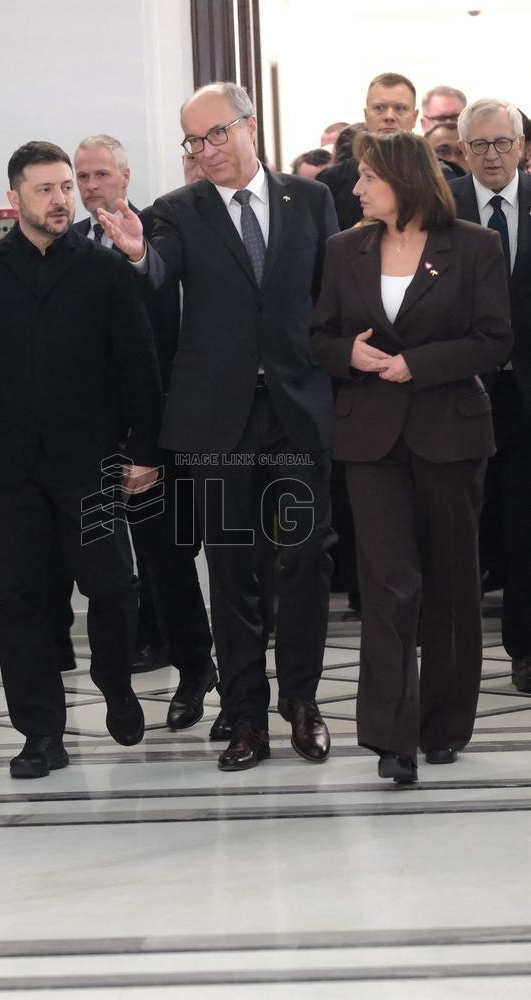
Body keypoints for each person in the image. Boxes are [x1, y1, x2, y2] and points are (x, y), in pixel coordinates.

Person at [100, 81, 338, 771]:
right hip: (218, 421)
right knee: (232, 569)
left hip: (297, 408)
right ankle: (244, 718)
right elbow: (158, 266)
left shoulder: (311, 200)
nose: (205, 152)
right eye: (193, 142)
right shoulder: (176, 211)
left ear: (249, 127)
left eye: (215, 135)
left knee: (306, 560)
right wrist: (140, 253)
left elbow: (330, 298)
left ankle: (301, 699)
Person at [0, 141, 163, 779]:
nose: (61, 198)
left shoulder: (105, 270)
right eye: (46, 189)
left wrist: (145, 450)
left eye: (66, 187)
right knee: (22, 601)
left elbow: (138, 368)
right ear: (15, 198)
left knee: (114, 586)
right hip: (7, 470)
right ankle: (40, 733)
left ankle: (115, 683)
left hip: (91, 467)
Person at [311, 130, 512, 784]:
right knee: (387, 584)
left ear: (403, 179)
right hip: (370, 437)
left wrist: (414, 365)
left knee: (453, 582)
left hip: (450, 434)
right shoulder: (346, 249)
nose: (358, 188)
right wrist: (350, 355)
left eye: (369, 178)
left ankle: (445, 724)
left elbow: (493, 340)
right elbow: (319, 335)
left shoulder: (475, 246)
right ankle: (392, 735)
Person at [73, 133, 217, 722]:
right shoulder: (71, 244)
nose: (90, 186)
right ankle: (155, 659)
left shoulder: (157, 229)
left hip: (160, 430)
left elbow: (158, 341)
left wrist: (148, 445)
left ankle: (196, 671)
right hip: (96, 434)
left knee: (170, 557)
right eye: (81, 177)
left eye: (100, 174)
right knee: (120, 564)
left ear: (126, 176)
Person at [450, 99, 531, 692]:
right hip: (458, 392)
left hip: (527, 396)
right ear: (463, 150)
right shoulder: (441, 206)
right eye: (480, 145)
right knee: (460, 527)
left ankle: (526, 650)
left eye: (503, 142)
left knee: (527, 523)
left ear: (523, 146)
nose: (493, 155)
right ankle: (457, 656)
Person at [317, 72, 418, 231]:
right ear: (366, 115)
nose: (389, 116)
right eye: (379, 108)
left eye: (400, 108)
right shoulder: (331, 181)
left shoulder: (440, 176)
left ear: (415, 116)